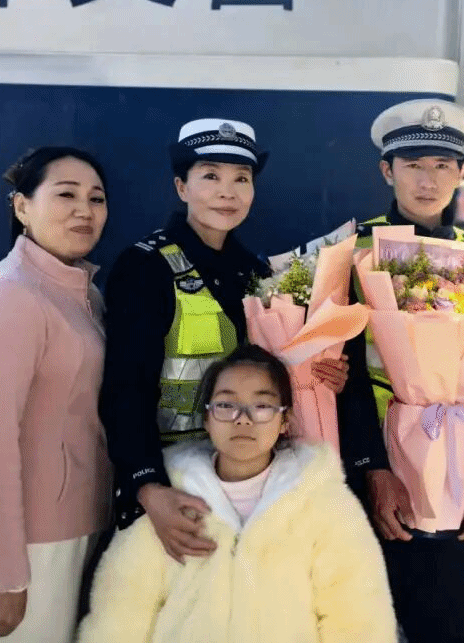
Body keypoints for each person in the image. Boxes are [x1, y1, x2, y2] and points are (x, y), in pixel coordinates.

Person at [98, 118, 346, 561]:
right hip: (173, 480)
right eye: (210, 176)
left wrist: (320, 370)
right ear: (181, 187)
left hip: (247, 476)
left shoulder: (255, 271)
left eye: (241, 179)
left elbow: (272, 372)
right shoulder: (145, 266)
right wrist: (147, 485)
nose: (227, 193)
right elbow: (124, 389)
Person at [78, 344, 397, 643]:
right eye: (226, 405)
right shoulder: (169, 499)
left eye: (262, 406)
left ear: (285, 420)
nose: (243, 419)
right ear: (206, 417)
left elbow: (358, 618)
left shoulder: (324, 502)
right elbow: (121, 613)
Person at [337, 99, 464, 643]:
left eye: (441, 166)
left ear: (462, 173)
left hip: (457, 474)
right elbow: (341, 375)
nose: (427, 180)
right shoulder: (350, 252)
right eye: (412, 165)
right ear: (387, 171)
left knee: (445, 624)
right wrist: (372, 467)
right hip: (374, 466)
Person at [0, 146, 112, 642]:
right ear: (22, 207)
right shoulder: (10, 295)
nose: (84, 210)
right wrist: (6, 577)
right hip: (26, 542)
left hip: (73, 526)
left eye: (96, 198)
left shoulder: (81, 291)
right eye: (65, 195)